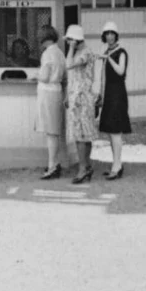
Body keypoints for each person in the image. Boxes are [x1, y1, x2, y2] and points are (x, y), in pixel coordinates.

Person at [97, 22, 131, 180]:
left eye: (112, 33)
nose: (109, 36)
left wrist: (108, 58)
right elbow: (103, 78)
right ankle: (116, 163)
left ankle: (117, 166)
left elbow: (120, 71)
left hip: (117, 94)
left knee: (116, 131)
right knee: (111, 132)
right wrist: (101, 95)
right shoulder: (108, 52)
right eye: (107, 33)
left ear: (116, 35)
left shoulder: (121, 52)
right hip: (109, 94)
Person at [64, 24, 97, 184]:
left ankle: (83, 168)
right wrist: (68, 95)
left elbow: (69, 65)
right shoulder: (80, 52)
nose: (68, 42)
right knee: (81, 135)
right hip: (76, 98)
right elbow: (73, 76)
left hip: (83, 99)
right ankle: (86, 166)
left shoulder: (86, 53)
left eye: (70, 40)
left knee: (82, 136)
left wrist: (70, 48)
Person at [34, 25, 67, 180]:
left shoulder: (47, 54)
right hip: (57, 91)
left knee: (51, 133)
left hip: (47, 93)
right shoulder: (60, 53)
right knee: (54, 131)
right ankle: (54, 163)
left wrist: (35, 75)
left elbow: (45, 76)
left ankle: (52, 165)